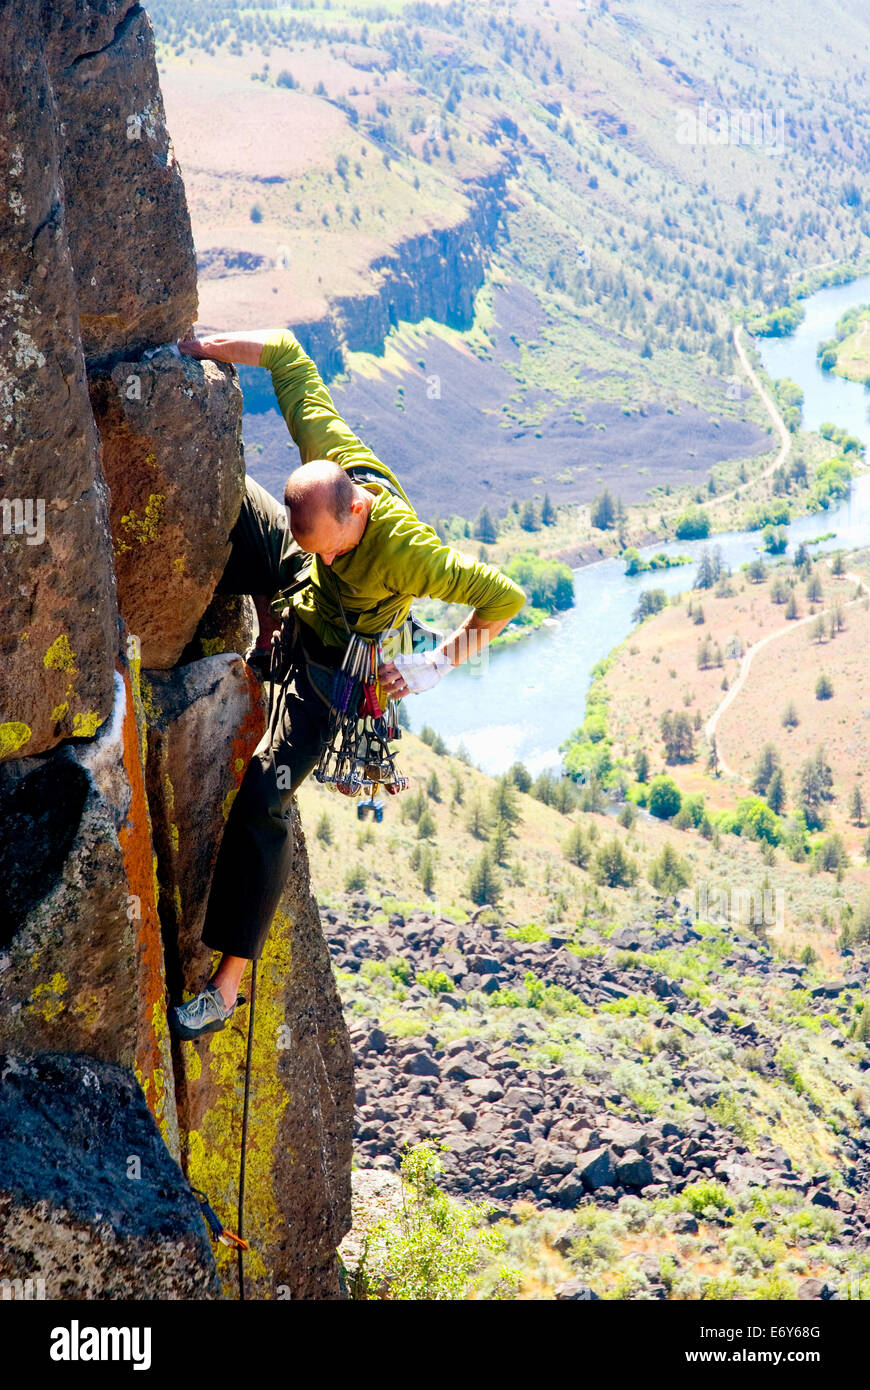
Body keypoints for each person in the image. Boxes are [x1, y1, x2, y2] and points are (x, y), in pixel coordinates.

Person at [168, 327, 526, 1040]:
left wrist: (435, 663)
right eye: (316, 550)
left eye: (331, 550)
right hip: (298, 598)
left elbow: (506, 598)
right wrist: (198, 345)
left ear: (357, 512)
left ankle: (228, 985)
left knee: (266, 794)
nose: (327, 560)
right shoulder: (330, 468)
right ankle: (265, 622)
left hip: (333, 661)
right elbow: (286, 351)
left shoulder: (410, 555)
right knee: (231, 492)